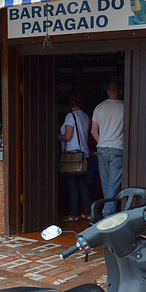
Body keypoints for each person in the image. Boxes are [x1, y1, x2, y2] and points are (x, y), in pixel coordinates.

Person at [91, 81, 124, 217]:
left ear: (107, 91)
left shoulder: (99, 107)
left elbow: (93, 131)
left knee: (106, 184)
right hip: (117, 149)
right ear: (120, 91)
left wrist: (103, 142)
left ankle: (108, 212)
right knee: (114, 184)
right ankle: (108, 213)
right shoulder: (124, 107)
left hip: (102, 149)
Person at [58, 93, 91, 222]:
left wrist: (56, 136)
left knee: (72, 185)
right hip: (83, 153)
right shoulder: (86, 117)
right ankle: (87, 212)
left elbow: (67, 136)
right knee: (82, 183)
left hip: (72, 154)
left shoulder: (70, 116)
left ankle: (73, 213)